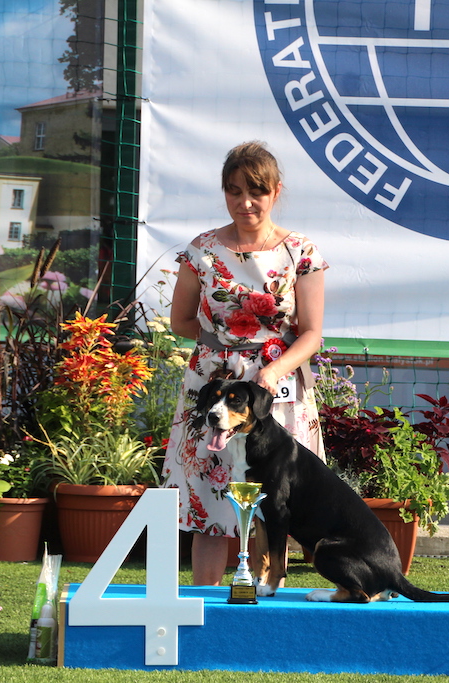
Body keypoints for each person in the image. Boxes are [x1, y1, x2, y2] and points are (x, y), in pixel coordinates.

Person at [161, 141, 327, 585]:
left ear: (276, 191)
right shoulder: (201, 251)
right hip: (213, 387)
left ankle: (263, 609)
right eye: (234, 191)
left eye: (256, 191)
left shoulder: (301, 252)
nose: (245, 202)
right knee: (207, 503)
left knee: (275, 504)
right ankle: (203, 613)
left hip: (278, 386)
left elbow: (312, 332)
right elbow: (179, 320)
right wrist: (227, 349)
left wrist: (270, 367)